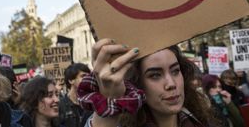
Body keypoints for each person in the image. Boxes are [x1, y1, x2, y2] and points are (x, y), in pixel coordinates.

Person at [78, 39, 216, 127]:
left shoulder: (202, 120)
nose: (171, 83)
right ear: (136, 84)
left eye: (175, 71)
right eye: (155, 75)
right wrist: (109, 104)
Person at [59, 63, 92, 127]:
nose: (88, 79)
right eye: (83, 76)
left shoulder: (92, 104)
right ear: (71, 80)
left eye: (89, 76)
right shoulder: (60, 106)